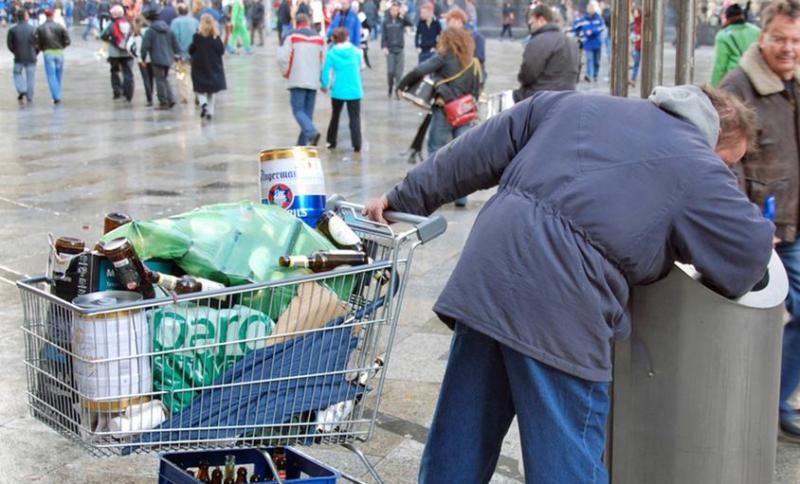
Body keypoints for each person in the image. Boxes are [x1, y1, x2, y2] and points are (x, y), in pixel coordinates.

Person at [364, 83, 771, 483]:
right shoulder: (698, 164)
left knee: (460, 440)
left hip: (488, 276)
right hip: (563, 307)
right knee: (567, 459)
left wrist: (403, 198)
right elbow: (749, 255)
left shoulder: (575, 105)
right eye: (728, 163)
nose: (726, 173)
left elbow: (475, 150)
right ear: (713, 134)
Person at [720, 0, 800, 442]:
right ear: (762, 37)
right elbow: (723, 160)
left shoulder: (795, 81)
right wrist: (746, 221)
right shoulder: (739, 86)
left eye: (796, 40)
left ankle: (771, 402)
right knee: (741, 319)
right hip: (760, 229)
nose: (789, 48)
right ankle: (745, 406)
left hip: (792, 222)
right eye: (780, 39)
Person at [397, 26, 481, 207]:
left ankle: (434, 194)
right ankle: (461, 197)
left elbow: (419, 71)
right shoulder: (473, 61)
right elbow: (476, 89)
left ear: (446, 40)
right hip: (465, 113)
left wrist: (402, 85)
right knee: (461, 154)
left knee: (436, 151)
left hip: (444, 110)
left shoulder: (444, 57)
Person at [513, 4, 579, 102]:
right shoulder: (572, 43)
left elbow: (527, 75)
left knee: (516, 95)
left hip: (541, 99)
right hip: (568, 98)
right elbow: (576, 75)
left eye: (532, 22)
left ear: (541, 19)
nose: (530, 26)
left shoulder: (537, 41)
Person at [278, 13, 324, 145]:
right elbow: (323, 60)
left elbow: (282, 58)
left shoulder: (291, 36)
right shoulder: (319, 38)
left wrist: (286, 73)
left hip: (297, 79)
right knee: (307, 115)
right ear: (308, 22)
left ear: (296, 23)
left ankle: (312, 133)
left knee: (298, 111)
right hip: (313, 80)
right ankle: (301, 145)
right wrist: (322, 78)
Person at [322, 27, 363, 152]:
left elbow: (326, 72)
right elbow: (361, 66)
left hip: (338, 89)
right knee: (354, 118)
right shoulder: (356, 52)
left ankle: (331, 141)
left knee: (335, 116)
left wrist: (325, 85)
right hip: (354, 89)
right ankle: (357, 143)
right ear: (347, 37)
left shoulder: (331, 53)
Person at [710, 3, 761, 87]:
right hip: (755, 79)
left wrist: (713, 87)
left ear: (727, 18)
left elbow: (720, 66)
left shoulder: (723, 35)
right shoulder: (757, 31)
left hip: (734, 82)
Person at [141, 4, 180, 109]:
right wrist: (177, 55)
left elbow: (145, 46)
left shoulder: (150, 31)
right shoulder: (168, 29)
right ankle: (171, 99)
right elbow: (175, 43)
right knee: (164, 78)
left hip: (157, 59)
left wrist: (143, 58)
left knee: (159, 80)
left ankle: (163, 102)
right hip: (168, 58)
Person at [189, 13, 226, 120]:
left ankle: (203, 104)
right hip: (213, 67)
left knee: (199, 89)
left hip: (199, 67)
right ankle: (210, 112)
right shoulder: (216, 38)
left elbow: (191, 50)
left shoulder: (197, 37)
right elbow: (221, 51)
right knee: (211, 91)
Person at [35, 8, 70, 104]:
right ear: (53, 15)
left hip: (48, 52)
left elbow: (36, 43)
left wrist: (40, 49)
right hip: (59, 52)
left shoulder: (40, 28)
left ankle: (56, 96)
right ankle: (57, 93)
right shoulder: (59, 27)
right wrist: (62, 46)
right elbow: (67, 40)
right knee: (58, 74)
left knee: (51, 75)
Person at [101, 5, 134, 102]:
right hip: (127, 52)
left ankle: (117, 92)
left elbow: (103, 35)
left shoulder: (111, 24)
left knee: (114, 72)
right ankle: (128, 93)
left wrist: (111, 39)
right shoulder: (128, 23)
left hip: (114, 53)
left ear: (114, 14)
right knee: (127, 73)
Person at [444, 8, 485, 84]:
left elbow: (479, 59)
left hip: (471, 77)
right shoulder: (448, 37)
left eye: (449, 21)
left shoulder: (476, 37)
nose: (447, 25)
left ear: (458, 21)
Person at [381, 1, 412, 97]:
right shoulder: (386, 21)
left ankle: (397, 90)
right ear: (390, 11)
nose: (394, 12)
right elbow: (383, 35)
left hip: (399, 49)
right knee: (390, 72)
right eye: (393, 10)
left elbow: (410, 23)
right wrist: (383, 47)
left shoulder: (401, 20)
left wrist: (404, 14)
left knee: (399, 73)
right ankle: (390, 86)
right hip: (390, 49)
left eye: (396, 10)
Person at [171, 3, 199, 103]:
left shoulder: (175, 22)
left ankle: (184, 96)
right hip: (195, 53)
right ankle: (197, 94)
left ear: (178, 11)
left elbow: (174, 38)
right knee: (195, 75)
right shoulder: (195, 21)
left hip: (180, 54)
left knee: (182, 76)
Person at [7, 9, 37, 103]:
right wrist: (35, 52)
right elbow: (37, 44)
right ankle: (30, 97)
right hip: (31, 57)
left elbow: (9, 44)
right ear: (25, 17)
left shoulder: (12, 30)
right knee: (30, 78)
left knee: (17, 73)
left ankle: (22, 88)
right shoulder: (33, 29)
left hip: (18, 57)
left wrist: (15, 51)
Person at [572, 0, 605, 83]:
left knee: (596, 61)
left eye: (591, 7)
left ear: (594, 8)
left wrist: (592, 31)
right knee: (589, 60)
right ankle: (589, 75)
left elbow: (602, 28)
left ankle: (595, 75)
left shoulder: (598, 18)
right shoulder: (583, 19)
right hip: (588, 43)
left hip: (597, 43)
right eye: (589, 8)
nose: (590, 9)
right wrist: (577, 31)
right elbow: (576, 27)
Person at [128, 14, 155, 106]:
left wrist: (136, 56)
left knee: (145, 79)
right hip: (151, 58)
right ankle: (151, 93)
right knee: (151, 78)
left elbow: (129, 47)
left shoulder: (135, 34)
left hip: (141, 60)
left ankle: (149, 98)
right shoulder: (150, 31)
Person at [630, 5, 642, 86]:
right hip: (637, 45)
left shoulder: (642, 22)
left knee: (638, 63)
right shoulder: (635, 23)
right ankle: (633, 79)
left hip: (642, 45)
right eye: (633, 12)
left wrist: (640, 36)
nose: (634, 14)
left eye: (635, 12)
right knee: (636, 63)